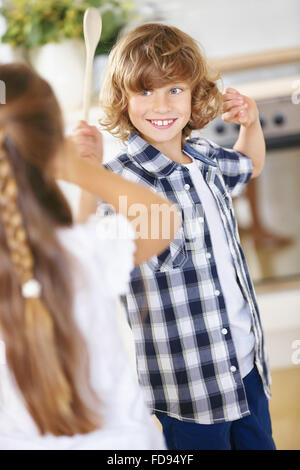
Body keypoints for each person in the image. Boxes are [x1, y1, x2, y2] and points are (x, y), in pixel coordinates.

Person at [73, 23, 276, 450]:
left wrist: (252, 125)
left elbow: (249, 166)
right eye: (144, 92)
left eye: (174, 90)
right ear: (123, 100)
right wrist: (83, 174)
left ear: (194, 94)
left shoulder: (205, 159)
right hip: (186, 389)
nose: (160, 104)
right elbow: (80, 243)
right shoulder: (118, 182)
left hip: (247, 366)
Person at [0, 62, 183, 450]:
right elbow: (160, 218)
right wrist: (78, 170)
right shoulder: (81, 254)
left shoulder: (76, 251)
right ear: (49, 142)